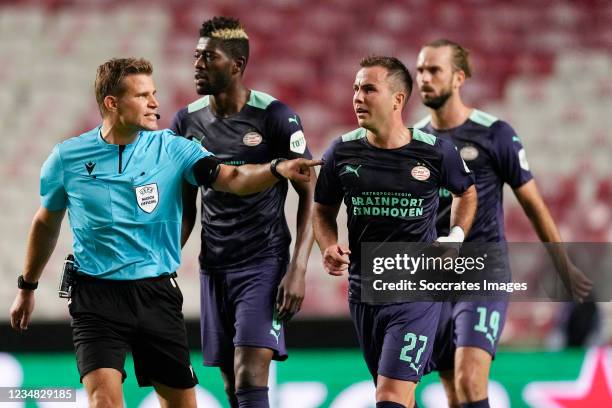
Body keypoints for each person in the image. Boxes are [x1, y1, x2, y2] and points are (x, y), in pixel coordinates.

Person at [8, 57, 319, 408]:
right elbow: (46, 222)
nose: (155, 103)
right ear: (112, 103)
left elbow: (232, 178)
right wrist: (27, 286)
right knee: (102, 401)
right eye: (143, 96)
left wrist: (275, 168)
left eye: (154, 93)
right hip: (95, 298)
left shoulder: (173, 149)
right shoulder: (67, 158)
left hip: (156, 294)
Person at [414, 39, 593, 408]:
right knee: (451, 390)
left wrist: (562, 265)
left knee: (469, 378)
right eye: (420, 70)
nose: (424, 78)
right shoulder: (415, 140)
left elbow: (533, 203)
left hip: (484, 270)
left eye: (434, 70)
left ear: (459, 77)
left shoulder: (495, 134)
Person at [313, 56, 477, 408]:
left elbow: (467, 192)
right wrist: (327, 244)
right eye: (355, 88)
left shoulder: (435, 153)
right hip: (364, 291)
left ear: (397, 100)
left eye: (369, 89)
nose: (357, 96)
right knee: (398, 395)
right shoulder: (341, 151)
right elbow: (322, 209)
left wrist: (456, 236)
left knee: (390, 397)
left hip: (416, 291)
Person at [171, 17, 316, 408]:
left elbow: (310, 194)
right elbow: (186, 209)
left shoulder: (276, 117)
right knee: (232, 384)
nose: (197, 65)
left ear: (236, 65)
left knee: (250, 373)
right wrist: (163, 260)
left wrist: (298, 268)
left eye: (208, 58)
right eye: (196, 56)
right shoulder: (185, 122)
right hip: (214, 265)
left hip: (263, 263)